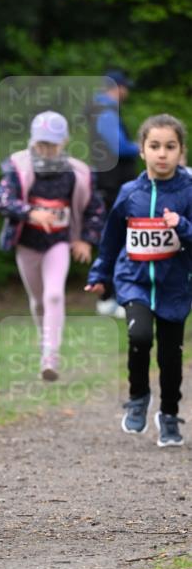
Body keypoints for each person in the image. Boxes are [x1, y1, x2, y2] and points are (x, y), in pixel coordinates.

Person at [85, 113, 192, 447]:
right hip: (134, 281)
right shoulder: (130, 192)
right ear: (142, 151)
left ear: (181, 152)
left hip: (175, 286)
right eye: (155, 146)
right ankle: (138, 397)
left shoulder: (189, 192)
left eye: (170, 147)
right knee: (141, 336)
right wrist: (100, 273)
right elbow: (112, 237)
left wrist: (182, 226)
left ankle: (169, 414)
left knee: (171, 356)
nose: (162, 154)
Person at [0, 110, 105, 380]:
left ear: (64, 142)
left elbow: (95, 209)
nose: (46, 150)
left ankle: (50, 355)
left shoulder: (77, 173)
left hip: (58, 242)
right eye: (41, 144)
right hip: (28, 244)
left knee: (54, 295)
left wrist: (85, 240)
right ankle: (44, 337)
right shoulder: (19, 167)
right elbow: (2, 200)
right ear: (33, 141)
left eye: (52, 144)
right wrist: (31, 212)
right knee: (38, 300)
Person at [88, 70, 141, 317]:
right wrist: (145, 147)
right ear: (115, 88)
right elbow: (118, 147)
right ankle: (113, 298)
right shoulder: (106, 113)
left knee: (112, 240)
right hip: (113, 188)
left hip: (108, 186)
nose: (126, 93)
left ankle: (109, 297)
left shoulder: (99, 111)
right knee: (118, 241)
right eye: (124, 87)